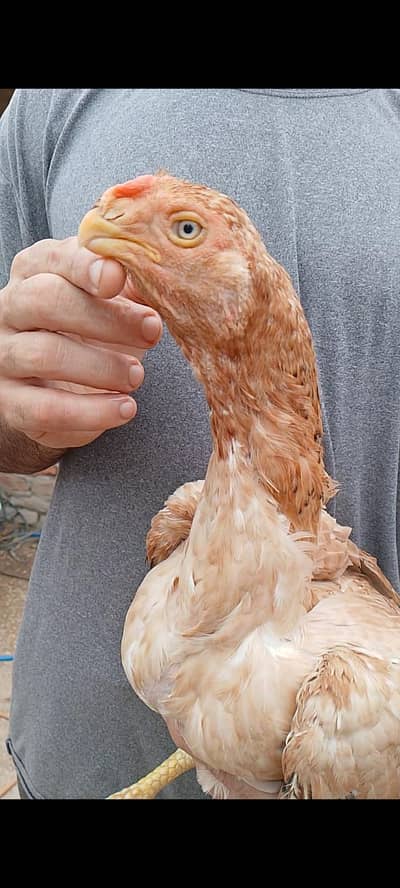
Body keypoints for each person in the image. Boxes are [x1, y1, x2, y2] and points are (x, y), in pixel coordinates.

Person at [1, 88, 399, 800]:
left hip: (351, 737)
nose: (103, 224)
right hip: (74, 767)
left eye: (184, 231)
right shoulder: (56, 101)